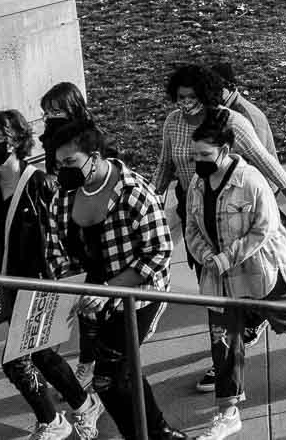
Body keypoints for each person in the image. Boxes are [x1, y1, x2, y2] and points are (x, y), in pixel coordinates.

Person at [183, 113, 286, 440]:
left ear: (225, 151)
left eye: (205, 155)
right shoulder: (198, 184)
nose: (198, 162)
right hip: (220, 276)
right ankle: (227, 411)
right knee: (223, 337)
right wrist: (206, 257)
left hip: (261, 270)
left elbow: (265, 229)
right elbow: (191, 227)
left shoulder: (250, 181)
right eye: (195, 155)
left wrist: (226, 258)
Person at [0, 110, 102, 440]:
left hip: (42, 285)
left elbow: (69, 234)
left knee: (16, 360)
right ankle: (84, 405)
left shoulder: (42, 185)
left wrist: (79, 283)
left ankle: (54, 421)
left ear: (17, 141)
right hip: (9, 287)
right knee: (42, 355)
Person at [40, 117, 188, 440]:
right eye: (58, 163)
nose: (63, 170)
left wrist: (109, 290)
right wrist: (76, 289)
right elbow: (55, 253)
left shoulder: (135, 192)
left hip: (139, 295)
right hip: (92, 299)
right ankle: (159, 431)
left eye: (70, 162)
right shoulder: (63, 198)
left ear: (94, 157)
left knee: (108, 377)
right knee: (121, 373)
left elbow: (158, 252)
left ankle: (145, 434)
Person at [151, 65, 286, 245]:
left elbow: (261, 156)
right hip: (192, 206)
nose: (186, 102)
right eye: (181, 97)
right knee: (202, 257)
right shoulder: (173, 121)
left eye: (192, 97)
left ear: (204, 95)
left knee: (231, 257)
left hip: (228, 207)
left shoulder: (230, 121)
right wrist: (149, 198)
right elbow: (165, 165)